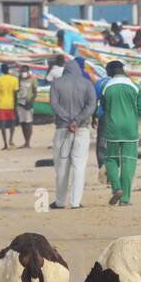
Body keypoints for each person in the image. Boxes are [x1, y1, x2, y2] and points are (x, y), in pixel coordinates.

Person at [100, 61, 141, 206]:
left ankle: (116, 188)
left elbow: (103, 108)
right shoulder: (135, 86)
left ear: (110, 71)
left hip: (113, 129)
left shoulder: (105, 87)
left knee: (110, 159)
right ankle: (125, 199)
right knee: (129, 161)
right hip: (130, 130)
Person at [49, 60, 96, 209]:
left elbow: (54, 104)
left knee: (61, 167)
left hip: (62, 128)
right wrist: (77, 120)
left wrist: (68, 120)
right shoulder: (87, 84)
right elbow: (91, 105)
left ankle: (60, 201)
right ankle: (75, 202)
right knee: (79, 166)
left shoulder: (56, 83)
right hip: (81, 129)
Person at [0, 62, 19, 149]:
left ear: (1, 70)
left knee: (2, 125)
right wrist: (16, 106)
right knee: (12, 123)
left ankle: (5, 144)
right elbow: (15, 94)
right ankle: (11, 139)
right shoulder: (14, 79)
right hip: (11, 104)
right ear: (9, 70)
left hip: (0, 104)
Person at [15, 64, 38, 148]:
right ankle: (25, 141)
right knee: (23, 123)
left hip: (28, 103)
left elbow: (35, 92)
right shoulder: (19, 79)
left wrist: (31, 102)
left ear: (28, 71)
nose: (23, 72)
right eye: (22, 71)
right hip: (21, 103)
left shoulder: (33, 79)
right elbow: (17, 90)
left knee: (28, 123)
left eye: (25, 71)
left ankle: (28, 142)